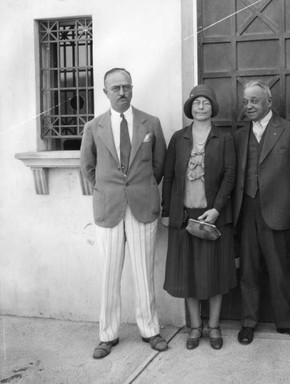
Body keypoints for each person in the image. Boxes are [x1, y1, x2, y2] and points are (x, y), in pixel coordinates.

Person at [81, 68, 168, 358]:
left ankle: (150, 330)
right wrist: (108, 190)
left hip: (142, 205)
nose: (122, 92)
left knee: (144, 271)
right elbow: (88, 168)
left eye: (126, 87)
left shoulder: (150, 123)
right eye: (115, 88)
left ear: (132, 89)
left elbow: (159, 165)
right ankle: (107, 335)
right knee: (109, 273)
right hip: (109, 207)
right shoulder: (94, 126)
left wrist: (139, 189)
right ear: (104, 92)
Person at [233, 80, 290, 345]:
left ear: (269, 101)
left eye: (254, 100)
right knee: (248, 270)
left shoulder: (289, 130)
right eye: (245, 102)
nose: (249, 106)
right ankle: (248, 323)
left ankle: (286, 322)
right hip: (246, 210)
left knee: (279, 270)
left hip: (278, 210)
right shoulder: (240, 135)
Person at [161, 84, 236, 350]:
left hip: (213, 217)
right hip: (184, 218)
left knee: (214, 275)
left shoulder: (224, 138)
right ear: (190, 108)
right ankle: (195, 327)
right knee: (189, 275)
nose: (200, 106)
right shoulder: (178, 138)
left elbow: (230, 175)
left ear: (212, 107)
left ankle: (213, 326)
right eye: (196, 103)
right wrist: (167, 212)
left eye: (205, 102)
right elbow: (168, 176)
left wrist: (217, 208)